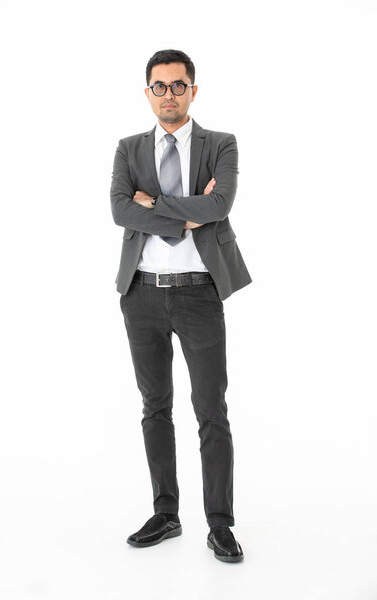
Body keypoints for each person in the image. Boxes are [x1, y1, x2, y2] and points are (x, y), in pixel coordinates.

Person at [110, 49, 252, 562]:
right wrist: (187, 214)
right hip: (141, 293)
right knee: (155, 409)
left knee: (211, 410)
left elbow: (220, 206)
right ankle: (166, 513)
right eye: (159, 86)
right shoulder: (128, 148)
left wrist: (154, 205)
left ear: (193, 89)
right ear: (147, 92)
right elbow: (118, 209)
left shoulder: (221, 144)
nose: (168, 94)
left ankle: (219, 524)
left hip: (199, 292)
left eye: (177, 85)